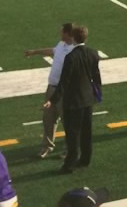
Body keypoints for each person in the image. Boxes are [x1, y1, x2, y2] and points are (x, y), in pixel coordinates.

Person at [45, 24, 100, 173]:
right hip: (87, 99)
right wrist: (97, 94)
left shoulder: (71, 57)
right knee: (86, 132)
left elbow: (64, 82)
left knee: (73, 134)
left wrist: (52, 99)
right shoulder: (93, 53)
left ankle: (69, 165)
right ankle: (85, 159)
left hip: (73, 101)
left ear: (73, 38)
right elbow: (96, 77)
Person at [27, 22, 76, 158]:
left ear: (68, 34)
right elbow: (52, 51)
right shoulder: (61, 45)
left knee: (68, 121)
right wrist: (35, 52)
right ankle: (47, 147)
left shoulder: (74, 49)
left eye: (62, 32)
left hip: (65, 91)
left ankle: (70, 149)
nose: (60, 33)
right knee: (48, 118)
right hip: (51, 88)